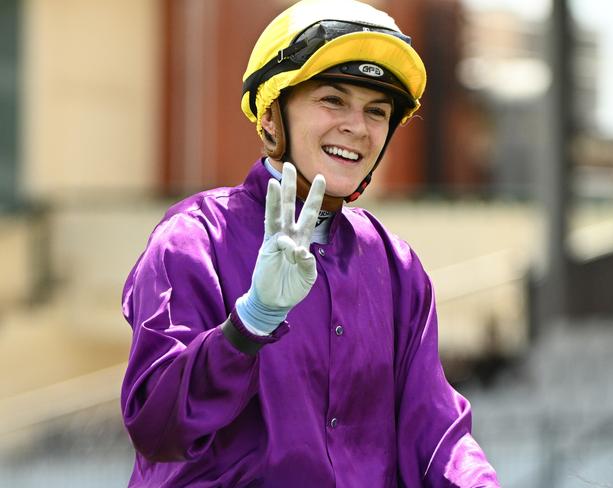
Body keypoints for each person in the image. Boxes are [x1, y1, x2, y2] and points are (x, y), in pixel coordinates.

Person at [120, 0, 500, 486]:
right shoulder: (192, 239)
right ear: (272, 116)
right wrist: (250, 323)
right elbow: (156, 427)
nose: (357, 127)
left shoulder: (396, 265)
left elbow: (436, 433)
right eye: (332, 100)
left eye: (376, 111)